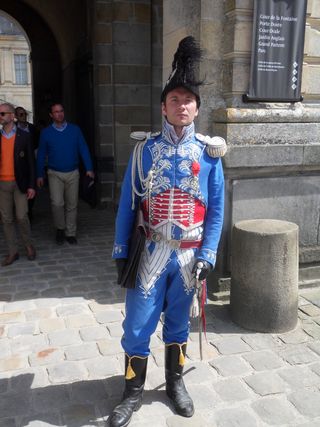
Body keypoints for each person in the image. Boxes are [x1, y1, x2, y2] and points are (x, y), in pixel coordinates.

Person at [110, 36, 226, 427]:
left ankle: (175, 383)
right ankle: (131, 392)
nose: (181, 106)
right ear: (163, 106)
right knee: (137, 323)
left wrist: (208, 254)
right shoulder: (143, 151)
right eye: (174, 100)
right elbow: (129, 203)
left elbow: (216, 211)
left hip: (189, 255)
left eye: (188, 100)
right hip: (151, 251)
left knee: (179, 322)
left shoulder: (210, 156)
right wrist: (120, 249)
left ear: (196, 108)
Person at [36, 103, 94, 245]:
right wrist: (39, 174)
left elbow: (83, 148)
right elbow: (41, 154)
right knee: (57, 203)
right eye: (56, 112)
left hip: (73, 172)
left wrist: (89, 168)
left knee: (72, 204)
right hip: (54, 173)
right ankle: (60, 228)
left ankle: (70, 233)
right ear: (51, 115)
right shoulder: (46, 133)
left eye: (61, 111)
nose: (59, 114)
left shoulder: (75, 130)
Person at [0, 103, 36, 266]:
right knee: (6, 219)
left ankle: (28, 245)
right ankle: (13, 251)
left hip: (19, 183)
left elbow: (31, 162)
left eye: (2, 113)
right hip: (2, 184)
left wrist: (31, 185)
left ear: (11, 116)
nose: (0, 116)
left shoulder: (24, 136)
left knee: (22, 216)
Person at [15, 106, 39, 222]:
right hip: (18, 164)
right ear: (15, 116)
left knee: (31, 186)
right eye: (20, 114)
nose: (23, 116)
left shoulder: (33, 129)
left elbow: (38, 144)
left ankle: (29, 211)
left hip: (31, 162)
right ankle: (21, 212)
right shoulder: (13, 129)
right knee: (20, 189)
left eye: (24, 114)